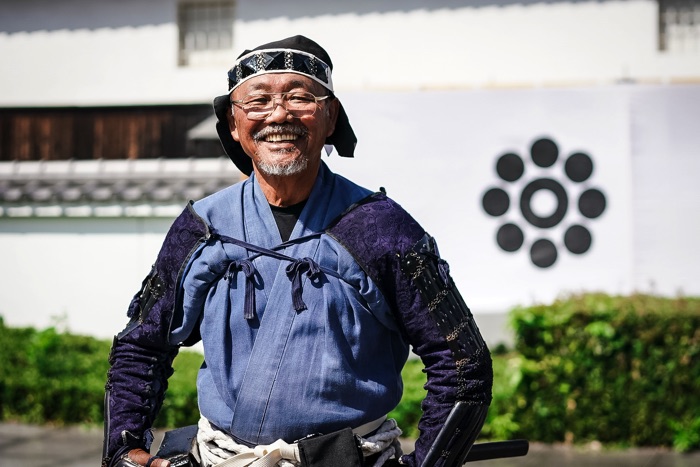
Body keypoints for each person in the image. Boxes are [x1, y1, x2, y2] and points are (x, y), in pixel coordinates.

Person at [103, 35, 493, 467]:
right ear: (234, 124)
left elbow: (463, 362)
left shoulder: (380, 227)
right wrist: (125, 450)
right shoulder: (202, 227)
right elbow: (141, 346)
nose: (279, 114)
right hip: (223, 459)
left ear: (330, 117)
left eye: (300, 97)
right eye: (258, 101)